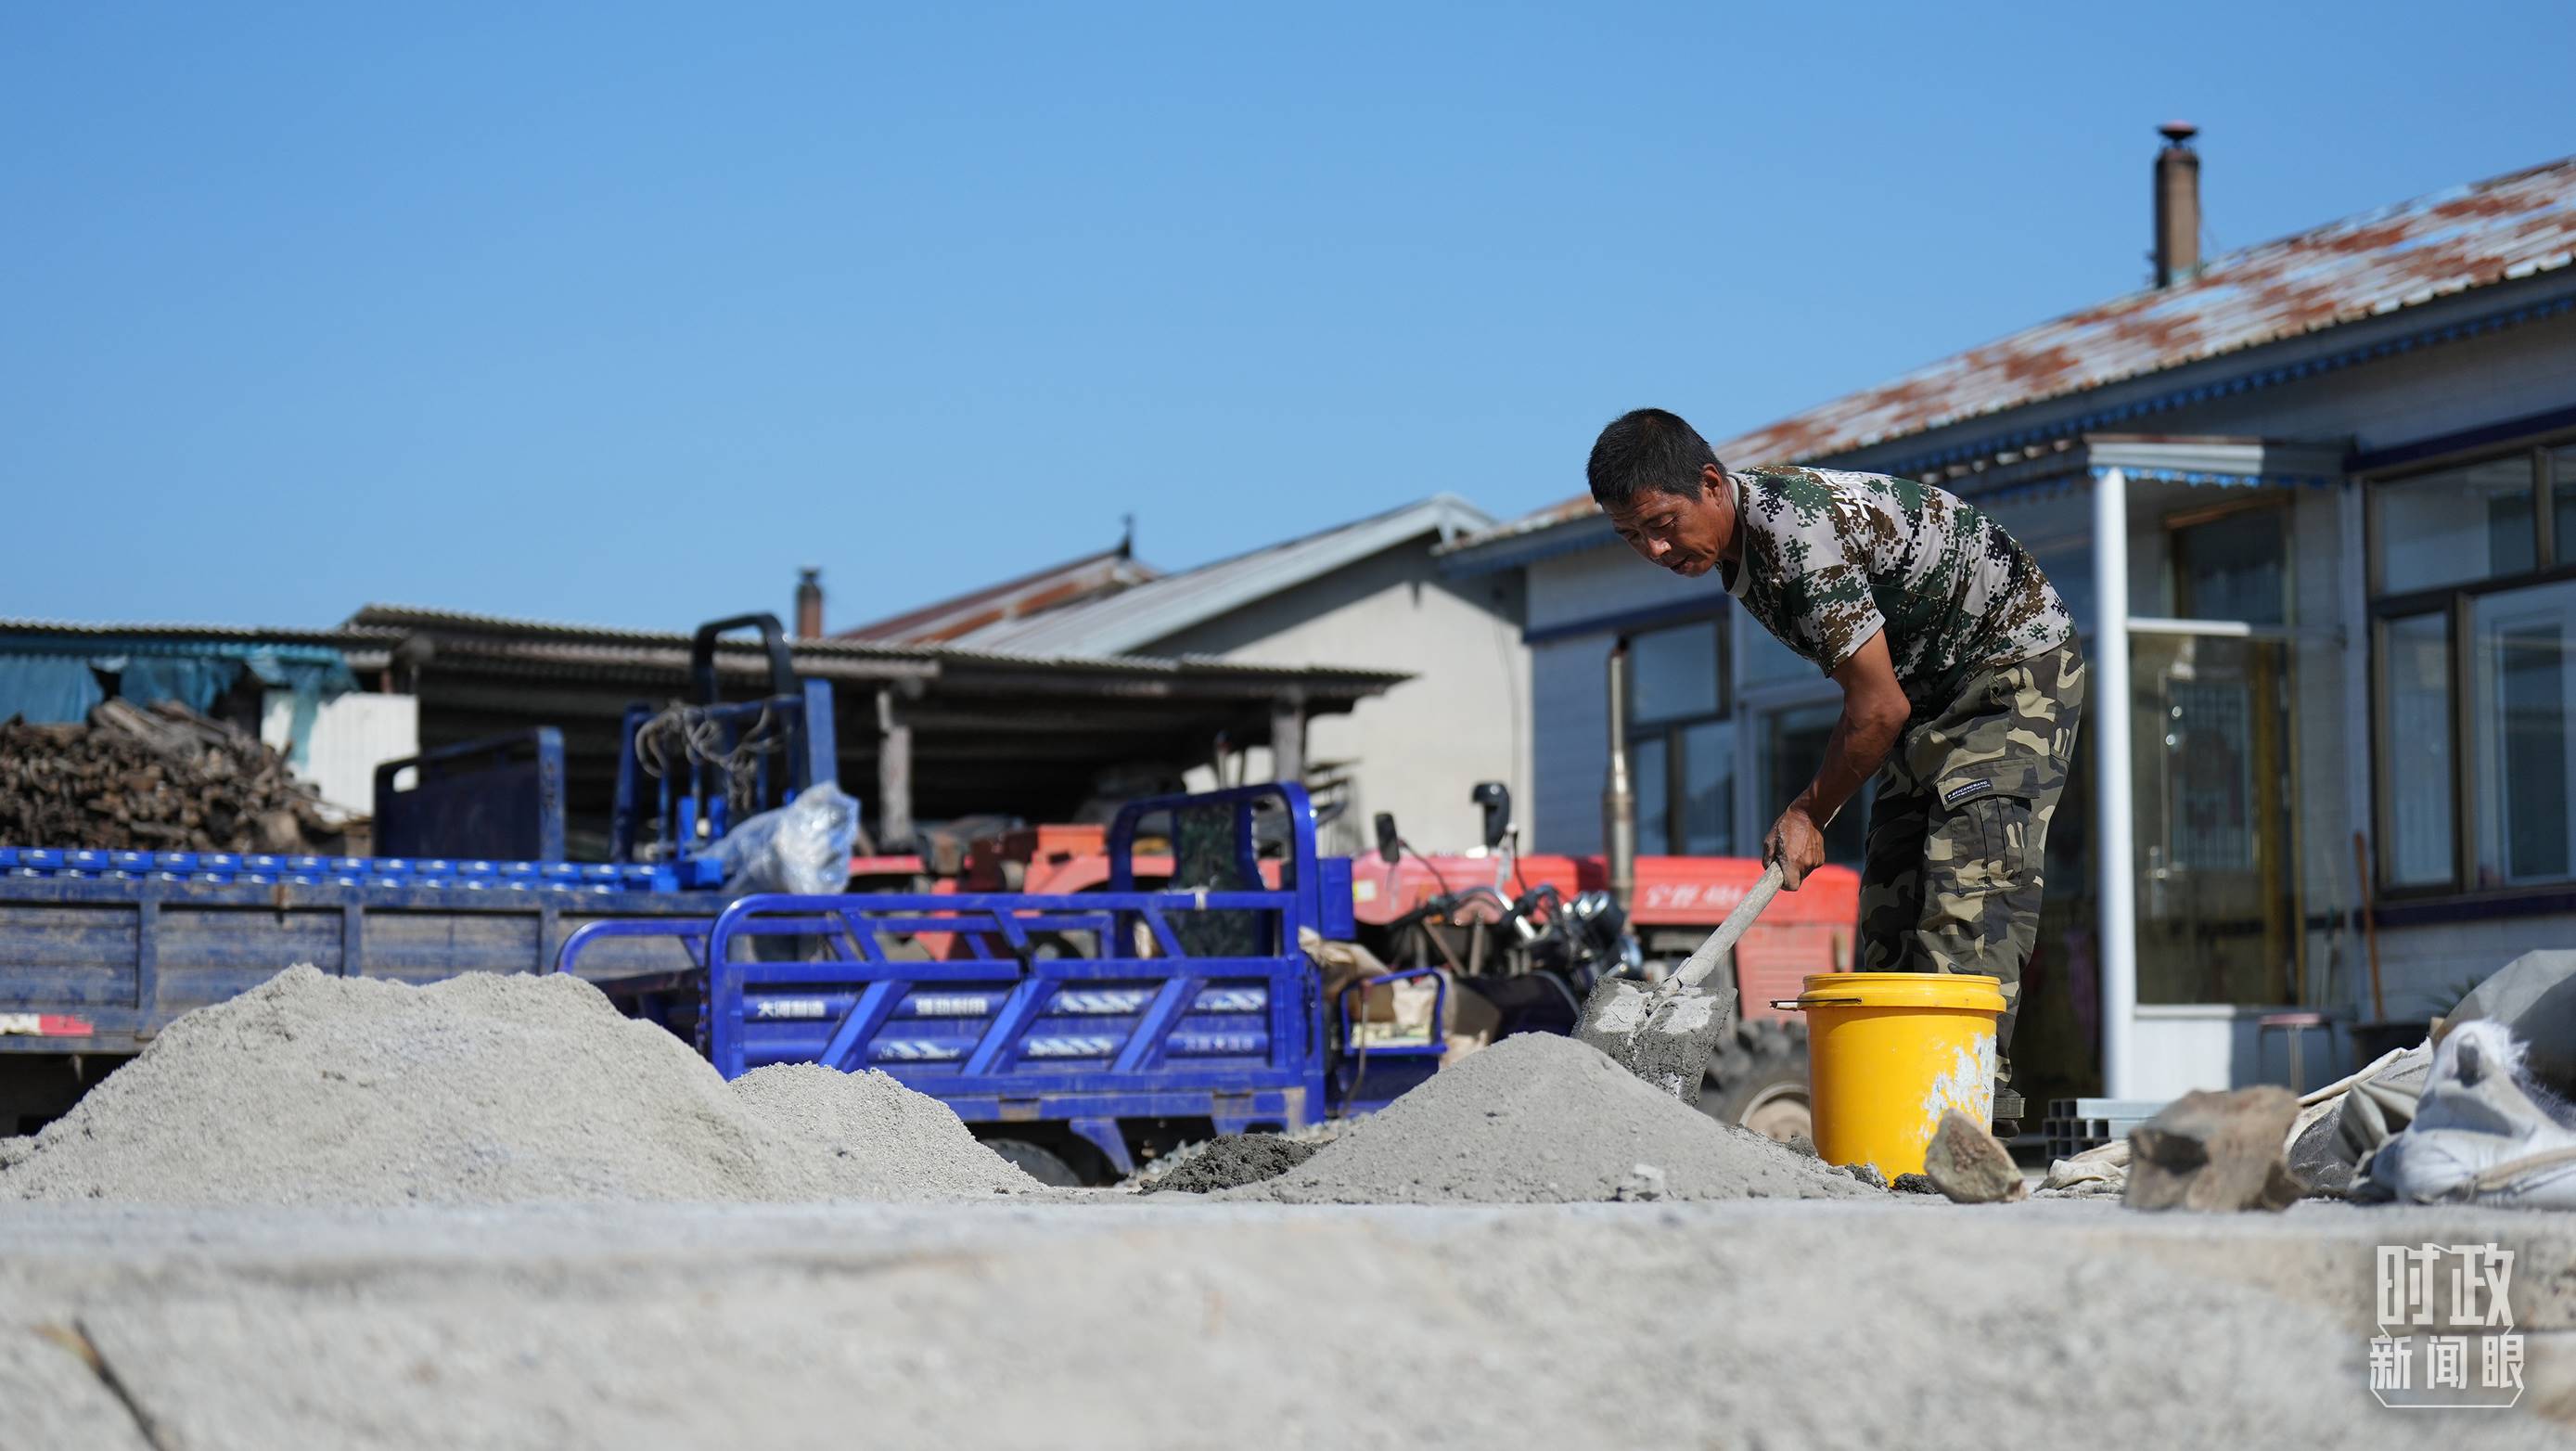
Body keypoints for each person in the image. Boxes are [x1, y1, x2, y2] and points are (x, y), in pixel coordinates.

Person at [1586, 407, 2084, 1131]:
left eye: (1663, 522)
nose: (1656, 548)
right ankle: (1885, 1135)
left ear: (1709, 484)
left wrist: (1807, 811)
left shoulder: (1794, 540)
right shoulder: (1737, 556)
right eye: (1631, 536)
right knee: (1889, 908)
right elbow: (1879, 700)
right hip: (1927, 694)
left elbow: (1875, 708)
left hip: (2006, 674)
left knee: (1966, 896)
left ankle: (1965, 1132)